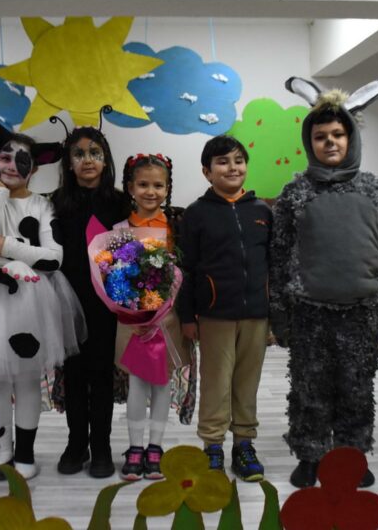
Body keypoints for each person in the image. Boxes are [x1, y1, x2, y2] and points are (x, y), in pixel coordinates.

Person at [272, 78, 378, 489]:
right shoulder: (295, 193)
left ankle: (351, 456)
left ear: (351, 137)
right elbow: (280, 253)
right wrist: (280, 313)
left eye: (338, 135)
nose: (330, 142)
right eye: (321, 136)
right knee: (309, 388)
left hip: (362, 313)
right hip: (309, 313)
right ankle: (310, 455)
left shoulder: (376, 191)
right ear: (309, 142)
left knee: (357, 389)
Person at [0, 123, 84, 481]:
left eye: (20, 160)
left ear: (34, 168)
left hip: (29, 300)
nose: (10, 166)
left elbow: (54, 258)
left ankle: (25, 452)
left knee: (26, 380)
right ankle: (2, 452)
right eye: (4, 158)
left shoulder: (42, 205)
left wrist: (5, 246)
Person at [177, 135, 271, 482]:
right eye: (222, 162)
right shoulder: (196, 214)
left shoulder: (262, 212)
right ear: (207, 172)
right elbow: (186, 269)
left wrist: (275, 317)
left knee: (247, 383)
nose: (232, 167)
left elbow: (272, 265)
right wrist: (187, 316)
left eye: (238, 161)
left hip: (256, 315)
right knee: (216, 383)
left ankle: (244, 444)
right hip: (214, 315)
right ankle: (213, 446)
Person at [51, 126, 130, 478]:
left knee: (100, 375)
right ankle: (76, 443)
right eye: (79, 154)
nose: (87, 160)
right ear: (68, 163)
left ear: (106, 160)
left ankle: (101, 445)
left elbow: (130, 253)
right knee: (73, 374)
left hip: (106, 305)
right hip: (66, 300)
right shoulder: (55, 203)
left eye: (95, 153)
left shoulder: (119, 202)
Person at [114, 153, 191, 481]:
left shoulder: (176, 227)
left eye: (158, 185)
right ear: (130, 187)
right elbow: (113, 274)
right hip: (132, 321)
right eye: (143, 184)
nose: (151, 191)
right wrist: (131, 307)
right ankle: (134, 447)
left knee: (161, 382)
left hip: (167, 319)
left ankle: (155, 447)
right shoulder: (120, 229)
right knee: (137, 383)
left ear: (167, 188)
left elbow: (184, 269)